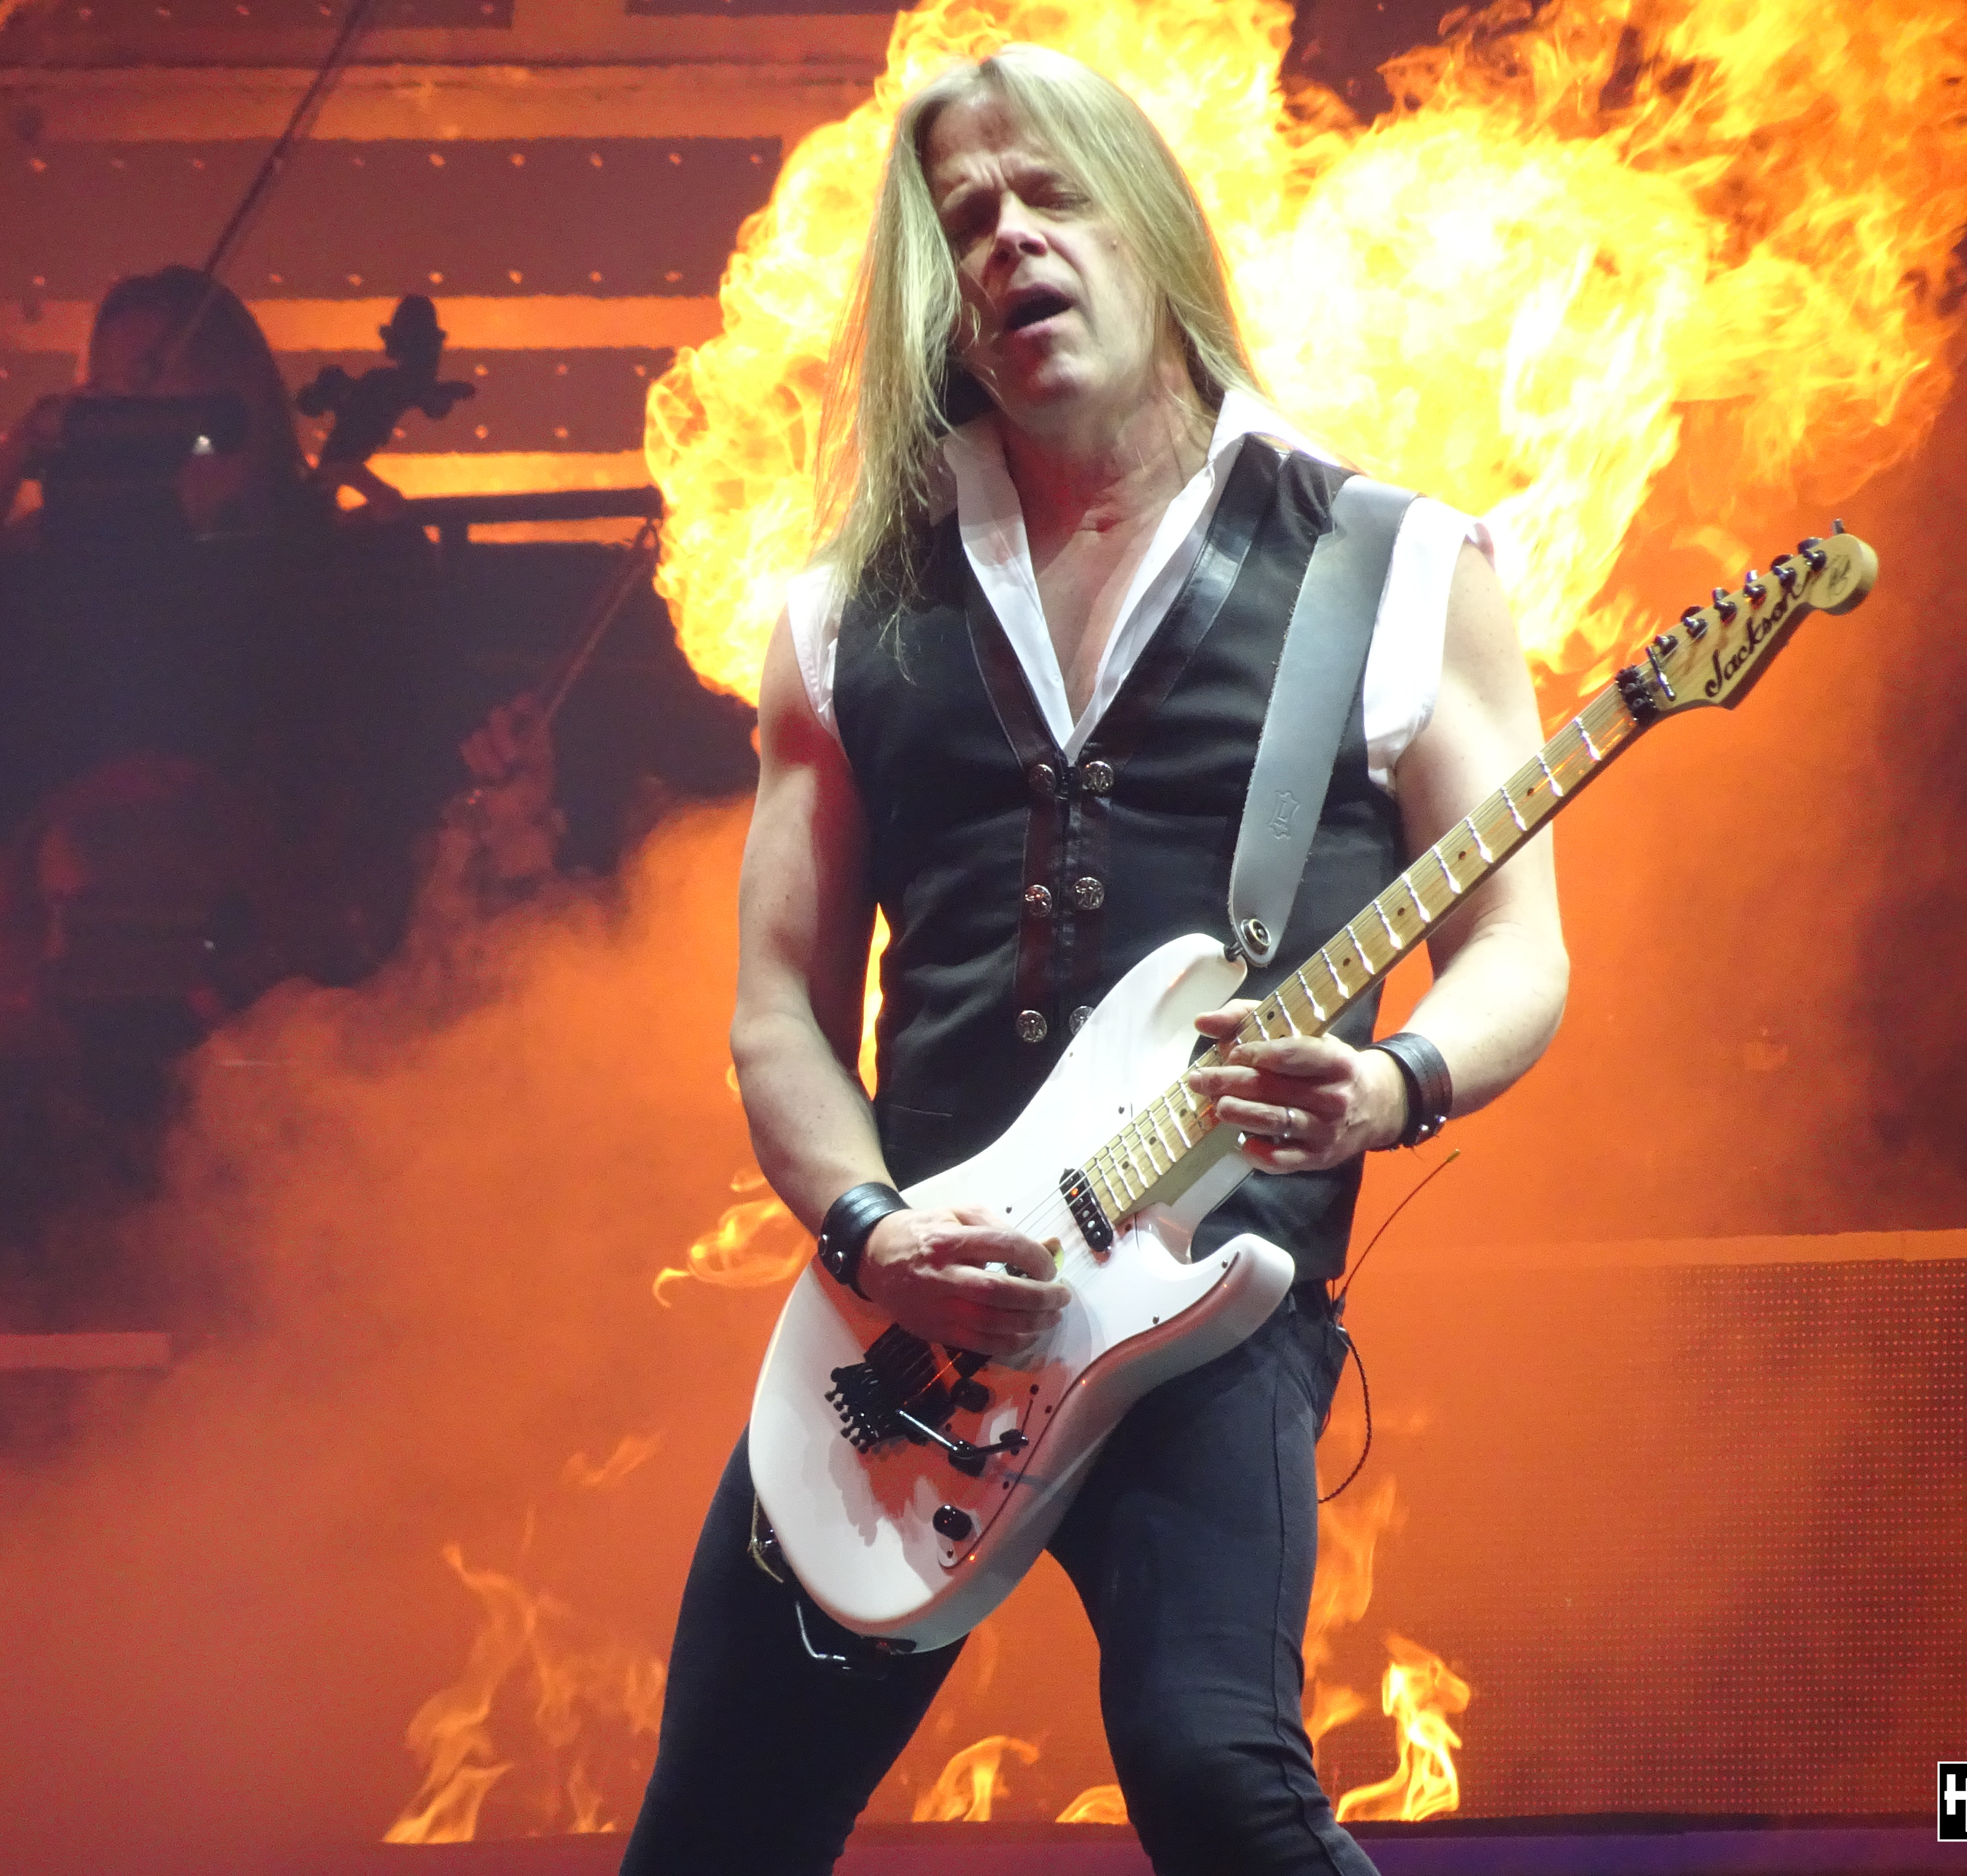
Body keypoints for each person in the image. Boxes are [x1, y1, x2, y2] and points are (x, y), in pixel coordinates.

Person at [622, 44, 1569, 1876]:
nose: (1008, 240)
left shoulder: (1393, 565)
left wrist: (1390, 1083)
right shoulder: (848, 609)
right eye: (965, 220)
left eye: (1049, 195)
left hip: (1206, 1315)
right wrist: (871, 1230)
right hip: (906, 1337)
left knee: (1220, 1781)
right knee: (713, 1835)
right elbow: (779, 1009)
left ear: (1149, 226)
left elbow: (1517, 946)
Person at [0, 265, 323, 551]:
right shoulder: (95, 518)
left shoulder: (308, 527)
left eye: (145, 373)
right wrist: (21, 445)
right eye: (105, 381)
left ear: (226, 374)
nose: (123, 399)